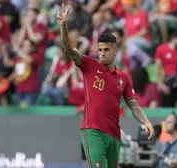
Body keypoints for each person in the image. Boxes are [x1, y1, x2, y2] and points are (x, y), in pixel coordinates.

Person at [57, 3, 155, 168]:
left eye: (106, 50)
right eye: (100, 49)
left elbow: (133, 105)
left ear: (115, 51)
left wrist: (145, 122)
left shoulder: (123, 78)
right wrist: (63, 27)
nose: (102, 53)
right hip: (93, 131)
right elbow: (69, 49)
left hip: (114, 135)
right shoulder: (89, 65)